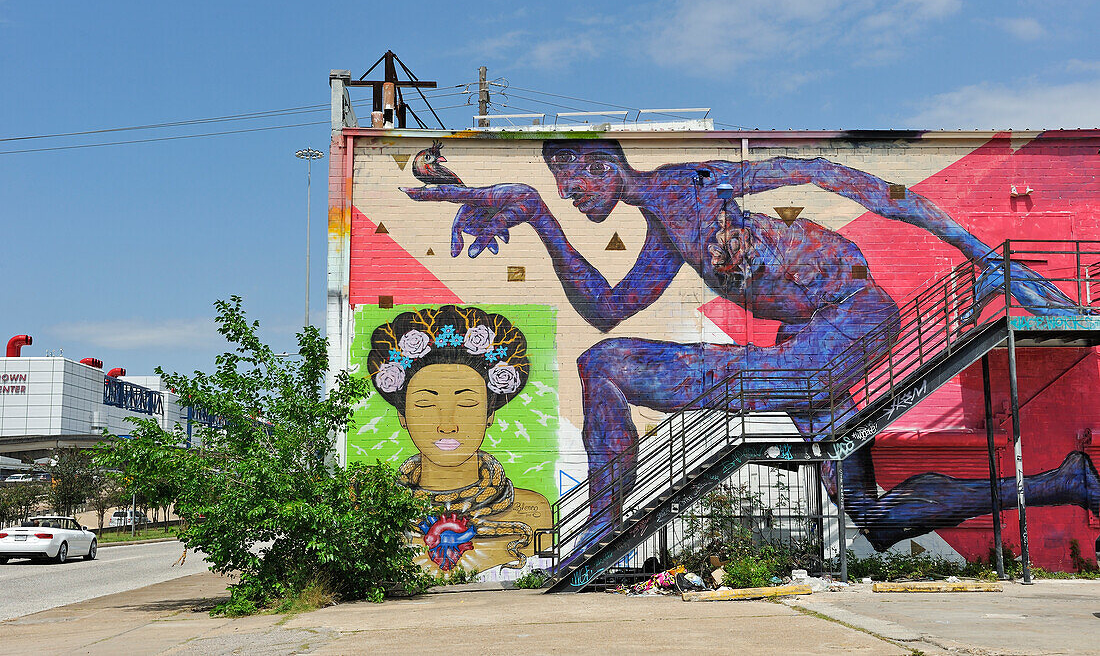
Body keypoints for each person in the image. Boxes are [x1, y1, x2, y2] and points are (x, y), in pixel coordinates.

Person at [403, 140, 1099, 549]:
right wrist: (536, 218)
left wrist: (981, 255)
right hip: (806, 346)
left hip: (851, 316)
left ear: (604, 163)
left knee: (612, 366)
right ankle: (1067, 481)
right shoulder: (664, 232)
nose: (571, 192)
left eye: (572, 179)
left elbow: (836, 176)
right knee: (873, 517)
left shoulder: (703, 181)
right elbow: (607, 306)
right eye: (557, 187)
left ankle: (604, 526)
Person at [368, 305, 551, 574]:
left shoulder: (532, 511)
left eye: (466, 404)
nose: (447, 425)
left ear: (490, 414)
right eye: (425, 404)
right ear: (402, 415)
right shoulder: (379, 512)